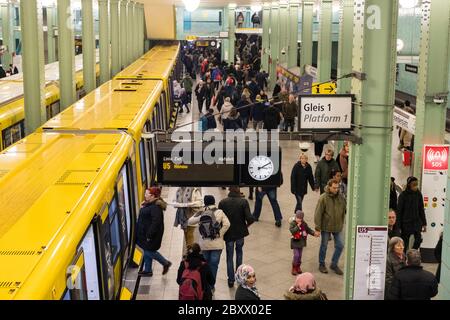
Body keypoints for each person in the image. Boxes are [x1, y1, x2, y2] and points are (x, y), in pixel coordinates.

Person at [187, 195, 230, 287]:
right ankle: (211, 286)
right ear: (214, 202)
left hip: (204, 244)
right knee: (214, 265)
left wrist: (200, 217)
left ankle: (204, 285)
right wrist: (219, 234)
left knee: (203, 265)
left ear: (205, 203)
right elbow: (227, 224)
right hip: (217, 244)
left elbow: (189, 221)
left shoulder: (202, 211)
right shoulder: (220, 212)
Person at [219, 186, 255, 288]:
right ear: (239, 191)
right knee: (239, 253)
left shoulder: (223, 202)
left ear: (229, 190)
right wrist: (245, 226)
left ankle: (231, 280)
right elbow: (250, 219)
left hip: (228, 233)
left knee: (229, 256)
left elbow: (220, 219)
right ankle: (239, 277)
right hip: (240, 233)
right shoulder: (243, 202)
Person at [136, 187, 172, 276]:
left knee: (149, 251)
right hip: (146, 233)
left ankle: (165, 263)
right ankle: (148, 270)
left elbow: (156, 223)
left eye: (146, 194)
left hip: (151, 235)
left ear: (152, 196)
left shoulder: (155, 207)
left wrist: (149, 235)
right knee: (146, 249)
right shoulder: (150, 204)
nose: (144, 195)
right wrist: (143, 206)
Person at [314, 179, 346, 275]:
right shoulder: (323, 198)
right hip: (326, 227)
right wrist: (317, 228)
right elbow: (318, 213)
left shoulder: (341, 197)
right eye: (334, 188)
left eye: (337, 188)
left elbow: (345, 209)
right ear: (329, 187)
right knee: (324, 246)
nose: (336, 190)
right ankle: (321, 264)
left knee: (340, 245)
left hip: (337, 226)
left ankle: (334, 264)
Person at [397, 176, 426, 251]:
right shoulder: (403, 195)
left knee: (418, 240)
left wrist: (424, 223)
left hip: (416, 222)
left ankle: (412, 253)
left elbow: (421, 209)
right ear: (409, 184)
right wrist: (398, 226)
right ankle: (404, 258)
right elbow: (399, 212)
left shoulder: (418, 194)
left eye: (417, 184)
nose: (416, 186)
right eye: (414, 184)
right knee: (404, 243)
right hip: (406, 223)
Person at [172, 187, 203, 254]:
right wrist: (177, 204)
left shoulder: (194, 190)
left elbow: (200, 202)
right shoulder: (178, 190)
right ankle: (188, 250)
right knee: (186, 234)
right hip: (182, 216)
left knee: (189, 234)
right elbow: (174, 201)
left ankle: (190, 252)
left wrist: (188, 204)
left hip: (192, 215)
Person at [289, 210, 320, 275]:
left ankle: (298, 267)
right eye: (297, 218)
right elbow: (292, 231)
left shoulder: (304, 224)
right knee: (296, 255)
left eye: (300, 218)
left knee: (300, 256)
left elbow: (308, 230)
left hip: (301, 242)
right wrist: (297, 226)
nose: (298, 219)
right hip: (295, 242)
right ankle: (294, 267)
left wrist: (314, 233)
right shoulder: (293, 223)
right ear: (295, 217)